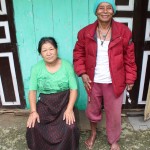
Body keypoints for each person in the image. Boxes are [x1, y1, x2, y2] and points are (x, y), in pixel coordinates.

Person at [73, 0, 137, 150]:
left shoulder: (123, 32)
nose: (105, 11)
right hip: (92, 81)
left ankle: (113, 140)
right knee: (92, 110)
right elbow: (78, 54)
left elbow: (129, 58)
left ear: (113, 11)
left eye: (109, 8)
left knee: (114, 114)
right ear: (96, 11)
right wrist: (82, 73)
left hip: (115, 81)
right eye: (101, 8)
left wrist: (130, 78)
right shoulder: (85, 32)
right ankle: (93, 133)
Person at [26, 37, 80, 150]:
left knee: (70, 127)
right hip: (45, 103)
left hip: (64, 102)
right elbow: (32, 91)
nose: (48, 53)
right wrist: (33, 111)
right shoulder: (36, 68)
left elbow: (73, 89)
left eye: (51, 49)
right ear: (40, 53)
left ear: (56, 50)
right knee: (34, 126)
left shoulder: (66, 65)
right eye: (44, 50)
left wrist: (69, 109)